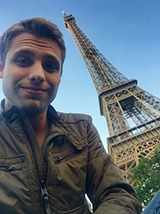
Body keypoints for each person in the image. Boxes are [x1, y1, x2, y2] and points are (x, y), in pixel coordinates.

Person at [0, 17, 141, 214]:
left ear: (59, 78)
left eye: (50, 66)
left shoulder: (81, 128)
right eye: (23, 60)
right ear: (1, 68)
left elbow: (118, 193)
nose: (38, 74)